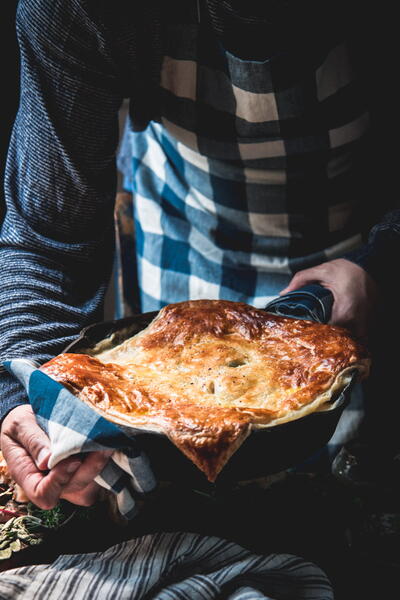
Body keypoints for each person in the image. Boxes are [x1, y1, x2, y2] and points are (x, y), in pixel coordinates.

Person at [0, 0, 398, 510]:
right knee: (186, 491)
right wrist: (26, 390)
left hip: (362, 235)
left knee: (356, 502)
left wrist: (384, 259)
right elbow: (47, 231)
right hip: (186, 229)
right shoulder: (86, 8)